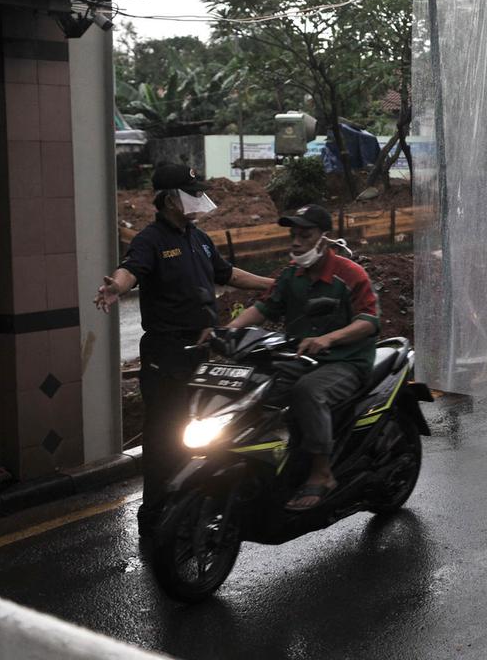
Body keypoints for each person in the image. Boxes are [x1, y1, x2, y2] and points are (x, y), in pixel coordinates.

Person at [93, 164, 274, 535]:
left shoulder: (199, 239)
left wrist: (276, 285)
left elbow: (230, 275)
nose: (196, 199)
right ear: (170, 199)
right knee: (164, 439)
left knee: (202, 432)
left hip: (200, 353)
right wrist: (116, 287)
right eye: (189, 192)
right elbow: (130, 271)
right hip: (166, 357)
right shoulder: (150, 240)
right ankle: (155, 518)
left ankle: (190, 505)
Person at [226, 204, 380, 512]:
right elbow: (265, 308)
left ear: (323, 239)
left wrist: (328, 339)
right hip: (302, 358)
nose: (296, 242)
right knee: (258, 388)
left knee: (308, 391)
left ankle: (322, 472)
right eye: (293, 235)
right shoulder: (290, 276)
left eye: (304, 235)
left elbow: (369, 321)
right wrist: (228, 329)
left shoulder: (349, 275)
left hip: (346, 361)